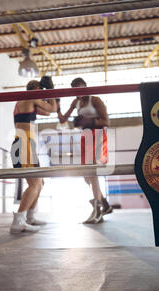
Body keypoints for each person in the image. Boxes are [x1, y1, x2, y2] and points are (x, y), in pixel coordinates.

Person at [57, 77, 113, 224]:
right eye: (75, 90)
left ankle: (98, 209)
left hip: (98, 134)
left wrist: (90, 121)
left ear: (86, 86)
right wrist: (57, 104)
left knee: (91, 170)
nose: (78, 92)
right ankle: (104, 203)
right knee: (86, 175)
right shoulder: (76, 102)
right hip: (85, 135)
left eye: (80, 88)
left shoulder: (95, 100)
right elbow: (63, 120)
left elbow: (107, 121)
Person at [10, 77, 57, 233]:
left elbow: (48, 112)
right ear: (37, 88)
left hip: (22, 144)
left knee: (40, 182)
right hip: (24, 144)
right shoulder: (32, 97)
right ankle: (18, 221)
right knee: (34, 184)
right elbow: (53, 109)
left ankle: (29, 217)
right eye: (41, 91)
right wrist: (51, 91)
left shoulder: (22, 102)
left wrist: (51, 95)